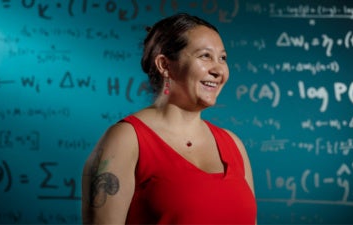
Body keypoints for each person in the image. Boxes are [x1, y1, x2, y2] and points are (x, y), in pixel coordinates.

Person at [82, 13, 257, 224]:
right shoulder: (126, 140)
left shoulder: (234, 145)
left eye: (223, 58)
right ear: (164, 65)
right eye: (205, 56)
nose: (219, 70)